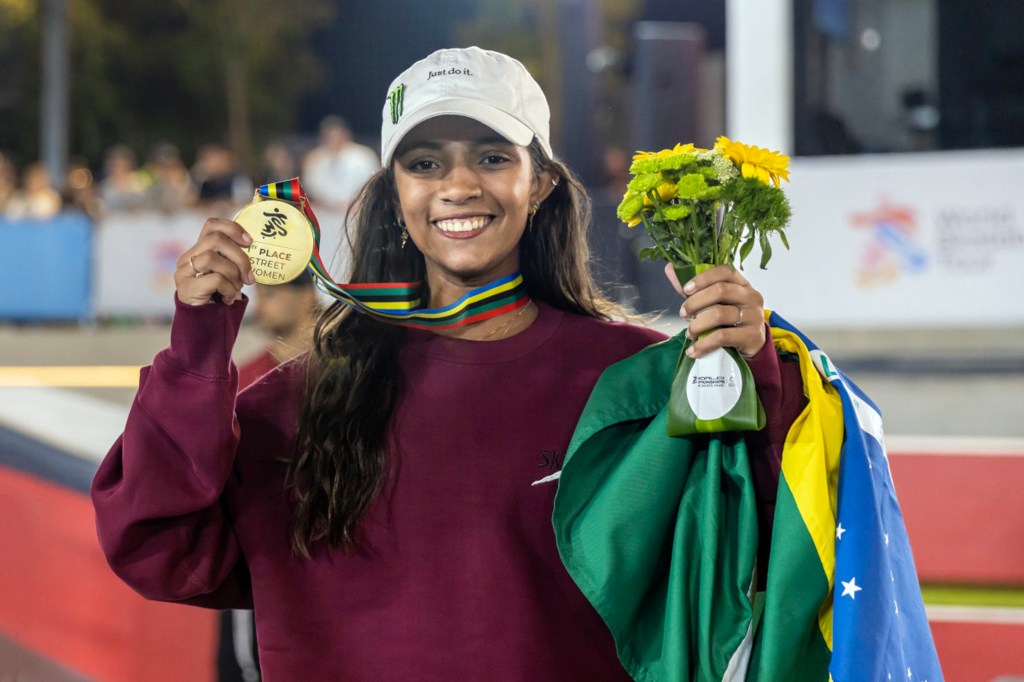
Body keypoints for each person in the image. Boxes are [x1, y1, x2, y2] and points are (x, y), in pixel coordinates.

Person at [92, 47, 804, 679]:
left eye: (492, 157)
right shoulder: (300, 398)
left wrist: (751, 369)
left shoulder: (632, 381)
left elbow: (763, 547)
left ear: (541, 183)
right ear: (395, 194)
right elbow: (160, 550)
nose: (458, 185)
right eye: (425, 163)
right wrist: (196, 350)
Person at [216, 271, 320, 682]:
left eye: (271, 295)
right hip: (265, 564)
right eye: (258, 295)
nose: (258, 306)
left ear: (307, 295)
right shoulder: (245, 380)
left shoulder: (355, 371)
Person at [301, 115, 380, 212]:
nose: (334, 140)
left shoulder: (364, 156)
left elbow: (374, 184)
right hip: (325, 212)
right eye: (329, 137)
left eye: (337, 136)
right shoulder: (315, 158)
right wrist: (331, 205)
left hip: (358, 210)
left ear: (346, 135)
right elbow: (311, 190)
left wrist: (359, 204)